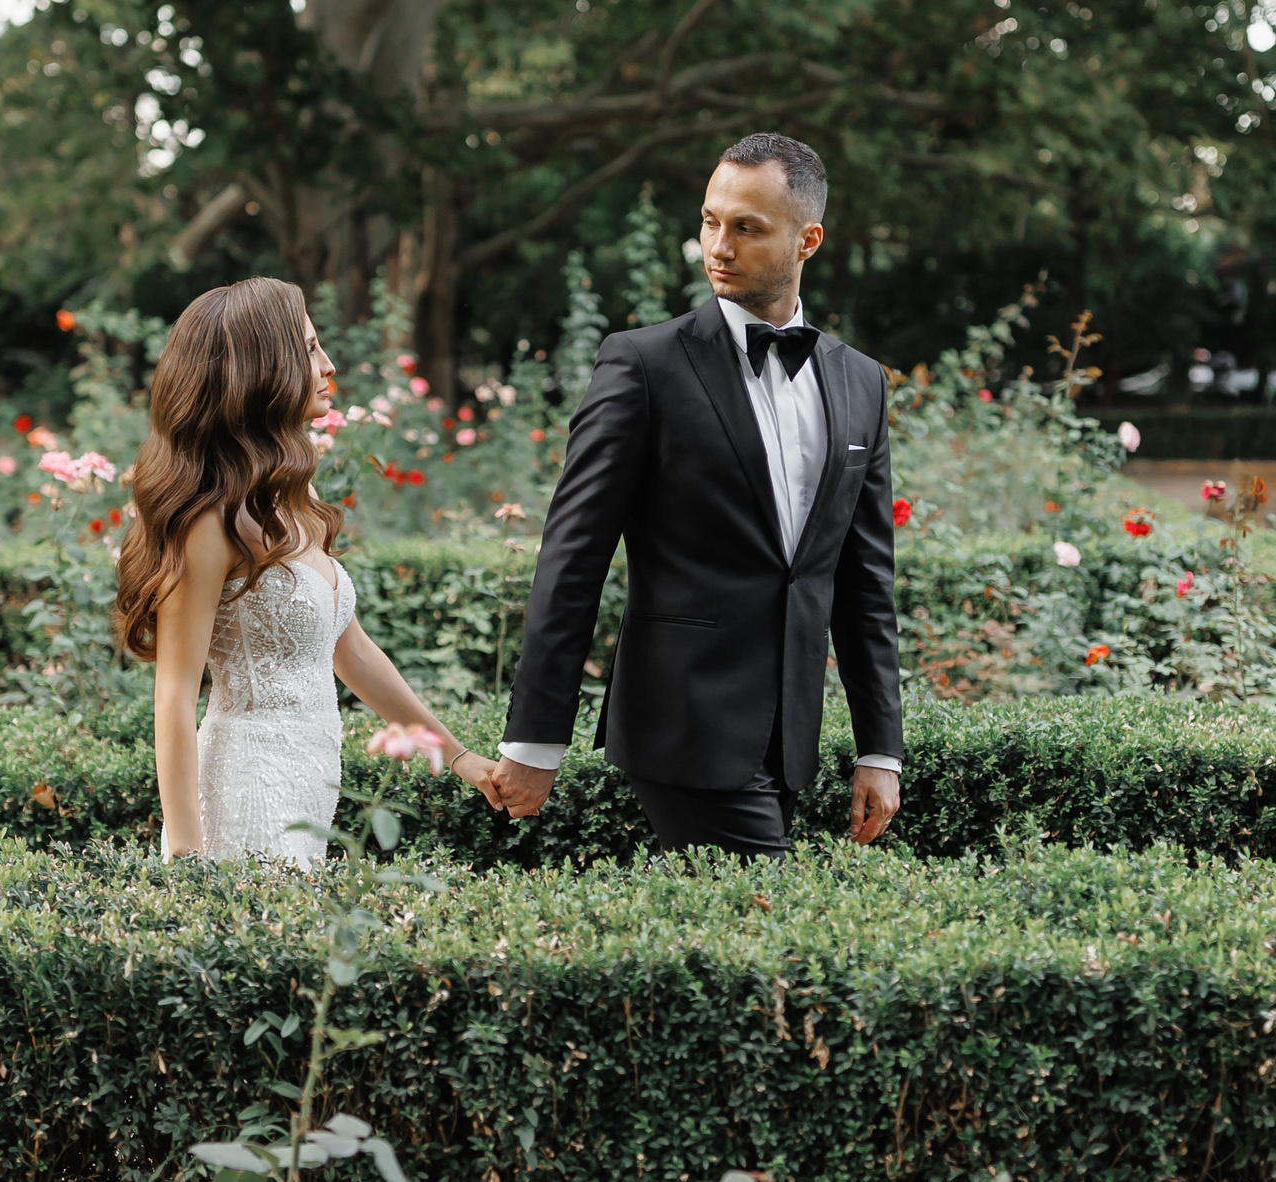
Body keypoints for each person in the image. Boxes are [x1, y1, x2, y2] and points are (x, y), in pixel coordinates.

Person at [487, 133, 904, 857]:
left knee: (750, 925)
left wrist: (880, 749)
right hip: (680, 726)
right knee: (777, 913)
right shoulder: (641, 365)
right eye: (710, 221)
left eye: (747, 228)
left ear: (807, 240)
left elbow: (864, 580)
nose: (718, 246)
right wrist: (534, 739)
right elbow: (572, 559)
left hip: (788, 740)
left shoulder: (859, 380)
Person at [115, 276, 498, 866]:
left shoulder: (293, 494)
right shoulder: (209, 521)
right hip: (247, 787)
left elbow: (353, 652)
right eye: (310, 348)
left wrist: (460, 758)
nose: (328, 364)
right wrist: (189, 861)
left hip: (311, 784)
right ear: (261, 370)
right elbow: (174, 695)